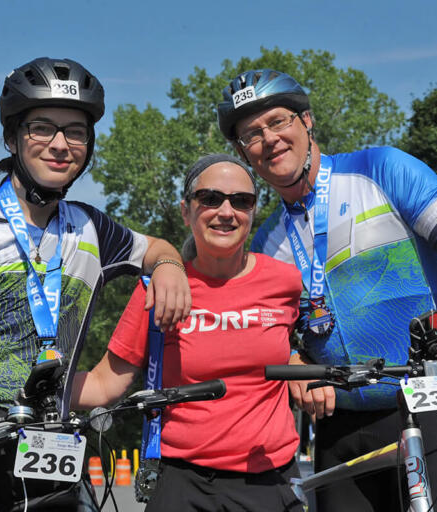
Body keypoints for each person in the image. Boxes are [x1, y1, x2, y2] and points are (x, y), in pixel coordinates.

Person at [216, 69, 437, 511]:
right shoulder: (267, 242)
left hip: (428, 399)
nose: (269, 139)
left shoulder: (380, 169)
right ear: (244, 153)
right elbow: (267, 332)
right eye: (251, 134)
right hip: (340, 421)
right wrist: (294, 361)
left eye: (278, 121)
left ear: (307, 120)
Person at [0, 57, 191, 512]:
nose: (60, 144)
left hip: (47, 434)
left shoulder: (92, 229)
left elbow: (158, 247)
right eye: (42, 127)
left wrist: (169, 268)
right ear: (12, 138)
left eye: (76, 131)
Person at [71, 153, 305, 511]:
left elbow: (301, 342)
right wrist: (14, 387)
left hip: (269, 479)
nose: (226, 212)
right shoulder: (156, 288)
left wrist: (301, 363)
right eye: (210, 198)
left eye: (241, 201)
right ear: (186, 210)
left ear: (253, 211)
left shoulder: (285, 281)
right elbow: (105, 384)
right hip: (183, 481)